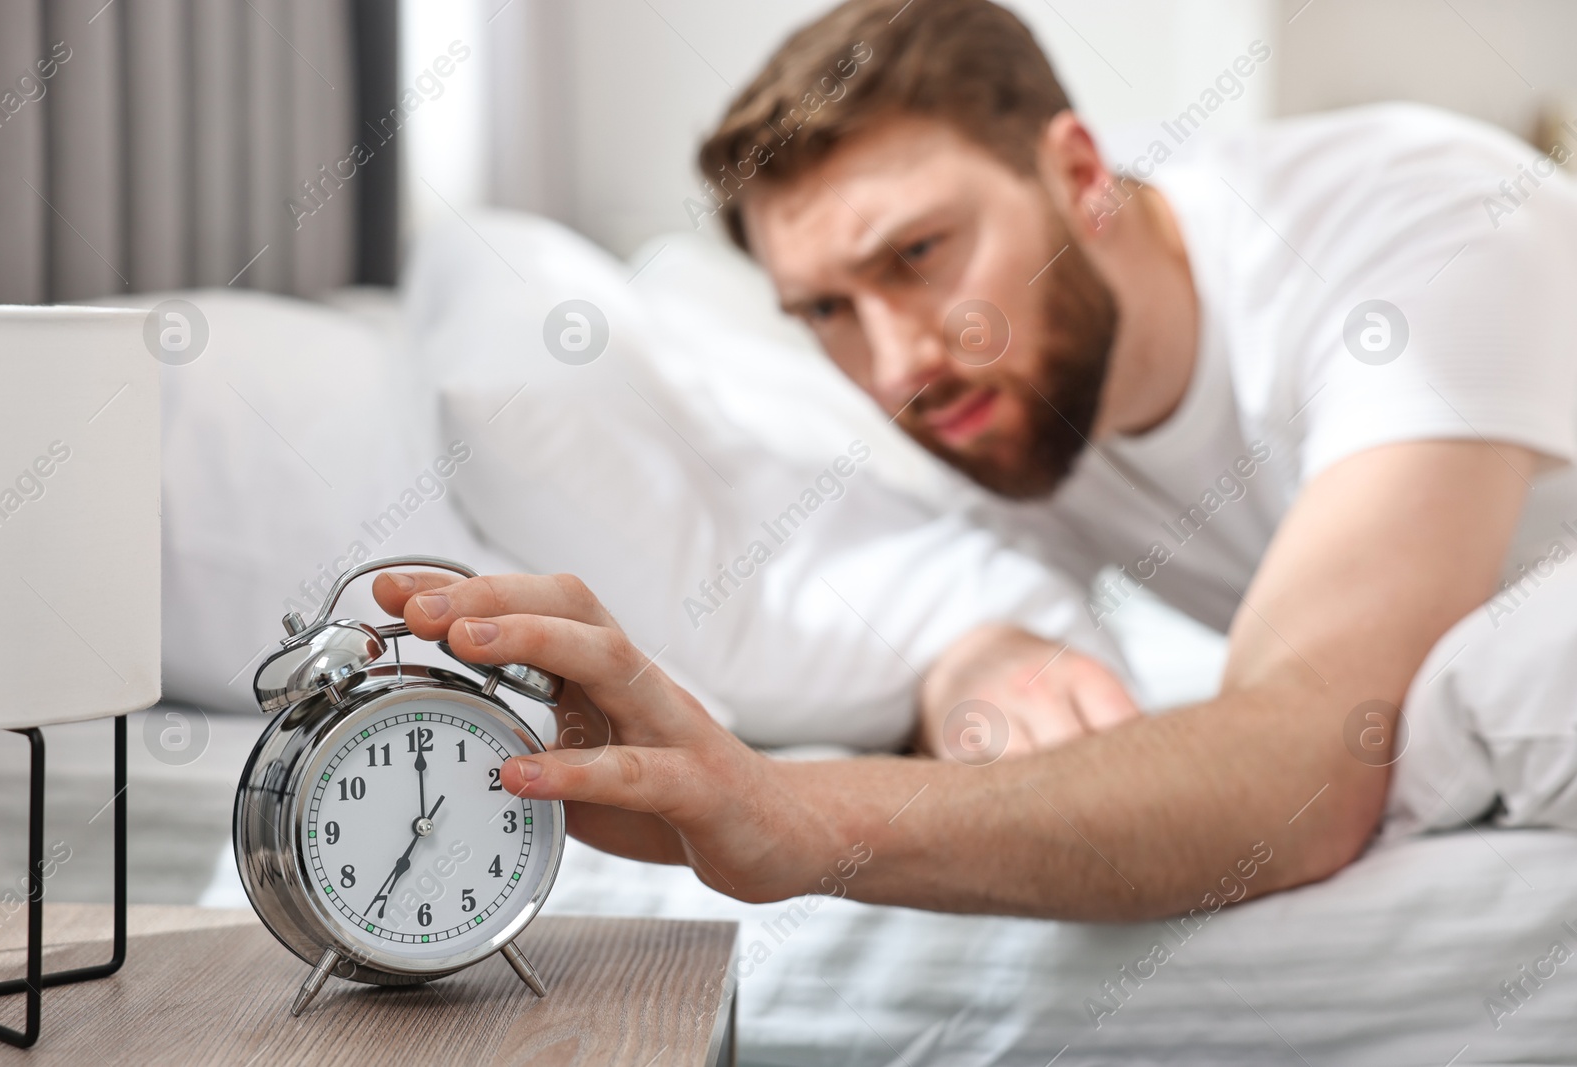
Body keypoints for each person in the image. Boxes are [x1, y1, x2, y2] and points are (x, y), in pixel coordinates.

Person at [377, 0, 1577, 920]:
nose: (896, 363)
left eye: (917, 253)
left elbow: (1300, 767)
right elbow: (964, 584)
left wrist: (786, 808)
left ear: (1080, 173)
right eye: (825, 311)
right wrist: (976, 660)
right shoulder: (1004, 394)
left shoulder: (1424, 225)